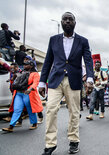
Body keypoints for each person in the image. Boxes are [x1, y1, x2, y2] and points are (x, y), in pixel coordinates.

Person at [39, 12, 94, 155]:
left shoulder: (83, 41)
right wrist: (41, 82)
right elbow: (47, 62)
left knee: (74, 112)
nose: (68, 21)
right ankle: (50, 144)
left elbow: (88, 61)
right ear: (61, 22)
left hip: (74, 80)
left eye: (71, 19)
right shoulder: (53, 40)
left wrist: (89, 79)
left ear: (75, 22)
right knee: (51, 110)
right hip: (55, 80)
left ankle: (74, 140)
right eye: (65, 19)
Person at [2, 60, 43, 132]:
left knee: (30, 109)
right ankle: (11, 126)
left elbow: (35, 83)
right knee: (17, 109)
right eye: (24, 65)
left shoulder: (35, 74)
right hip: (18, 93)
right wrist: (13, 79)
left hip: (27, 94)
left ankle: (34, 123)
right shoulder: (21, 72)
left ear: (31, 65)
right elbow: (15, 82)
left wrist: (30, 89)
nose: (24, 66)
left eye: (26, 65)